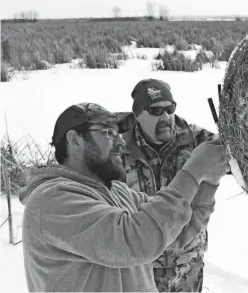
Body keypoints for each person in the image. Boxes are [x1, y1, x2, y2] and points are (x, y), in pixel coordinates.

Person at [19, 102, 228, 292]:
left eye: (118, 133)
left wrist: (209, 179)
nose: (121, 142)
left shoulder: (118, 192)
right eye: (108, 132)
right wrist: (193, 172)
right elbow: (136, 240)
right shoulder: (50, 201)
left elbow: (175, 231)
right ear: (75, 139)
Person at [121, 78, 221, 292]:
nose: (166, 117)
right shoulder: (117, 150)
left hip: (188, 265)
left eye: (170, 108)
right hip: (140, 269)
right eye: (155, 110)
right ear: (138, 114)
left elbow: (235, 155)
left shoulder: (195, 140)